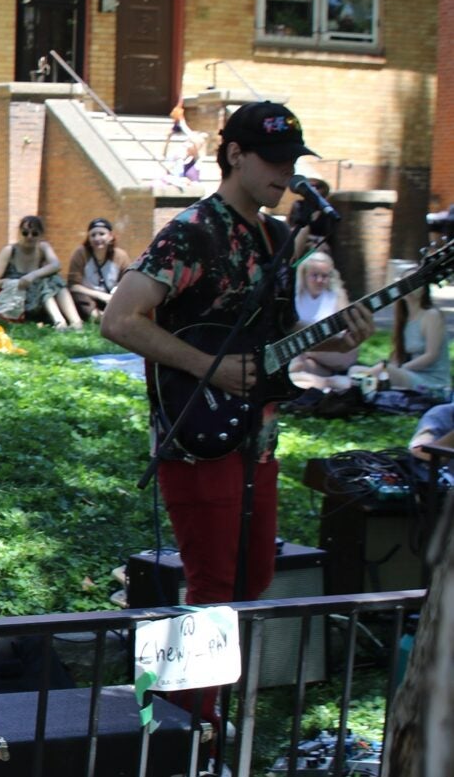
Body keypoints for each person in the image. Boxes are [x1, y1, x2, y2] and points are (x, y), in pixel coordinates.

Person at [101, 101, 373, 737]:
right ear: (234, 156)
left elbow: (279, 338)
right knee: (213, 581)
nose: (286, 173)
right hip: (196, 435)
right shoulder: (192, 233)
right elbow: (119, 319)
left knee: (254, 574)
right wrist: (209, 366)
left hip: (258, 437)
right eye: (274, 161)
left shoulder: (277, 239)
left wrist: (338, 335)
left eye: (292, 162)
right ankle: (193, 725)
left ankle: (201, 705)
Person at [0, 215, 83, 328]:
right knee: (46, 281)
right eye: (25, 233)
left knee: (54, 278)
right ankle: (59, 322)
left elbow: (56, 265)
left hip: (39, 300)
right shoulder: (10, 251)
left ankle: (75, 321)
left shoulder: (43, 247)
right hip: (19, 300)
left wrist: (32, 275)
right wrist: (14, 282)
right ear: (19, 233)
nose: (29, 237)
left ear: (40, 235)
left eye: (34, 233)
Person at [357, 285, 450, 399]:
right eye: (406, 283)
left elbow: (431, 355)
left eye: (414, 283)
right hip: (411, 374)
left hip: (432, 383)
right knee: (356, 370)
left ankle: (352, 387)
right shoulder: (404, 318)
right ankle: (352, 386)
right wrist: (392, 369)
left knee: (383, 371)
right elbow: (396, 358)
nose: (410, 287)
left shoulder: (431, 315)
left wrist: (398, 370)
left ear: (424, 289)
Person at [285, 251, 357, 391]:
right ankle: (328, 381)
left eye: (324, 276)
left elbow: (345, 332)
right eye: (314, 275)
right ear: (304, 275)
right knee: (302, 366)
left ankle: (321, 380)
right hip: (307, 357)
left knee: (300, 350)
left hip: (334, 351)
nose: (319, 280)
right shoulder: (294, 295)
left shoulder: (336, 295)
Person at [65, 217, 129, 322]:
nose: (97, 238)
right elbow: (73, 286)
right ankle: (97, 317)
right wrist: (101, 296)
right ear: (89, 239)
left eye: (101, 234)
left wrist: (113, 296)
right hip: (88, 297)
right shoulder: (80, 253)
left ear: (111, 236)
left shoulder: (121, 256)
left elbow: (127, 283)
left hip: (112, 299)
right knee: (79, 297)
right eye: (93, 235)